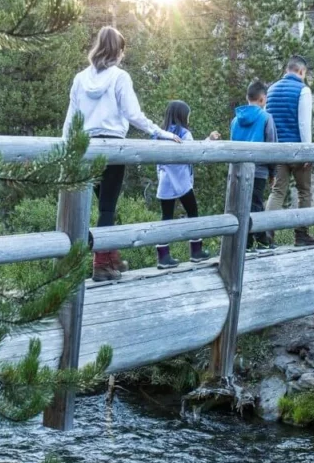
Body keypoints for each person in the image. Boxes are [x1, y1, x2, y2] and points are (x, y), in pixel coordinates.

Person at [63, 26, 181, 282]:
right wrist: (159, 132)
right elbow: (133, 114)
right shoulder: (119, 77)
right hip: (113, 149)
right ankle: (101, 264)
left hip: (86, 148)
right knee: (107, 207)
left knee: (103, 205)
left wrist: (65, 148)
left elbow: (71, 119)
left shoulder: (80, 79)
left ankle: (111, 257)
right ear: (118, 51)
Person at [155, 100, 221, 269]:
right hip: (183, 182)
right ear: (183, 116)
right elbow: (195, 152)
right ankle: (196, 251)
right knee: (193, 212)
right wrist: (209, 140)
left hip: (165, 181)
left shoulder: (160, 134)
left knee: (166, 218)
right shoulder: (184, 133)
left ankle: (163, 256)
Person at [265, 55, 314, 247]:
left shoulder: (270, 90)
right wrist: (308, 152)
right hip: (297, 150)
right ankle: (301, 235)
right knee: (304, 192)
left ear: (287, 69)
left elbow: (269, 124)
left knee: (278, 191)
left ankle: (267, 236)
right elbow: (304, 123)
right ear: (301, 71)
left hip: (278, 150)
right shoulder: (303, 90)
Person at [230, 79, 277, 252]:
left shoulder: (235, 120)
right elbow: (272, 147)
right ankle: (263, 241)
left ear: (247, 97)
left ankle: (247, 242)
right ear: (263, 99)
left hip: (238, 170)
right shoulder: (266, 117)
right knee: (256, 204)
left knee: (242, 204)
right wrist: (273, 172)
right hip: (259, 170)